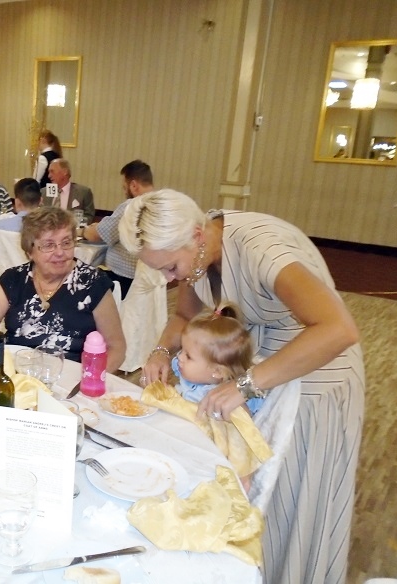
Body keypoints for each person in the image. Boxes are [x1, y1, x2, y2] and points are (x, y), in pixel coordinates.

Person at [118, 189, 364, 584]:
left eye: (170, 267)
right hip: (258, 375)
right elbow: (185, 316)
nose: (168, 279)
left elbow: (339, 329)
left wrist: (247, 385)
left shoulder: (261, 250)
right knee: (255, 486)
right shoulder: (195, 258)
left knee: (291, 498)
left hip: (314, 375)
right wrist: (162, 351)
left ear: (197, 236)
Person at [0, 207, 125, 368]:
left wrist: (91, 378)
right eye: (49, 245)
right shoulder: (14, 279)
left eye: (66, 243)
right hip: (17, 371)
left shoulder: (93, 282)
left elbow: (116, 347)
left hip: (71, 375)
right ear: (29, 251)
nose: (60, 252)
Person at [171, 305, 262, 416]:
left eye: (188, 356)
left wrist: (237, 410)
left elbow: (244, 420)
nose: (179, 357)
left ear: (217, 371)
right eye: (182, 349)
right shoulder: (190, 374)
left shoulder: (229, 397)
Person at [82, 159, 155, 298]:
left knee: (82, 279)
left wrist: (81, 231)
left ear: (133, 185)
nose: (124, 192)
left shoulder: (132, 206)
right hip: (149, 279)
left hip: (123, 279)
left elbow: (97, 235)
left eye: (124, 187)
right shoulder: (160, 204)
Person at [0, 177, 41, 278]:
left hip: (6, 284)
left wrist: (2, 277)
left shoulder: (0, 226)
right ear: (40, 201)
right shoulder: (46, 228)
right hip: (36, 283)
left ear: (17, 202)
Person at [41, 158, 95, 225]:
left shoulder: (83, 192)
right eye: (49, 172)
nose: (49, 176)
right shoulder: (44, 192)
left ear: (65, 172)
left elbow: (89, 216)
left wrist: (75, 224)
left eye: (52, 171)